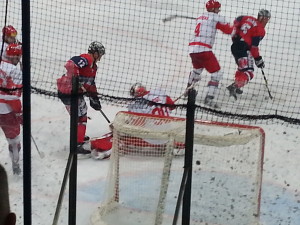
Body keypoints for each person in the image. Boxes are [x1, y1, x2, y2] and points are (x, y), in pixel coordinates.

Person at [57, 41, 105, 156]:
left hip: (72, 93)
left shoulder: (94, 67)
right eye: (100, 54)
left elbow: (90, 83)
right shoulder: (86, 58)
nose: (100, 57)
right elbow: (70, 64)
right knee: (81, 116)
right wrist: (76, 79)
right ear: (95, 53)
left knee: (78, 116)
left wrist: (94, 98)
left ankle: (78, 137)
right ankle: (77, 144)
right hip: (69, 92)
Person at [185, 0, 232, 108]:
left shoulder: (201, 16)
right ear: (213, 9)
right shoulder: (216, 18)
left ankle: (187, 91)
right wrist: (234, 26)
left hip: (193, 50)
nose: (219, 10)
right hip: (204, 50)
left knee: (197, 70)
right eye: (217, 8)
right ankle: (209, 98)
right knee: (217, 74)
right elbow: (228, 31)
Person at [226, 9, 271, 100]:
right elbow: (253, 48)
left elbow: (238, 19)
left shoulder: (248, 18)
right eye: (266, 19)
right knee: (249, 71)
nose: (267, 21)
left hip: (235, 46)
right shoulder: (260, 29)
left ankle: (237, 86)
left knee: (242, 69)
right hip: (244, 48)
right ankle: (234, 87)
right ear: (262, 18)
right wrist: (258, 59)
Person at [0, 43, 23, 175]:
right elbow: (14, 98)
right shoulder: (15, 72)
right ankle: (15, 166)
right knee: (14, 141)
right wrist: (19, 114)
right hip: (5, 112)